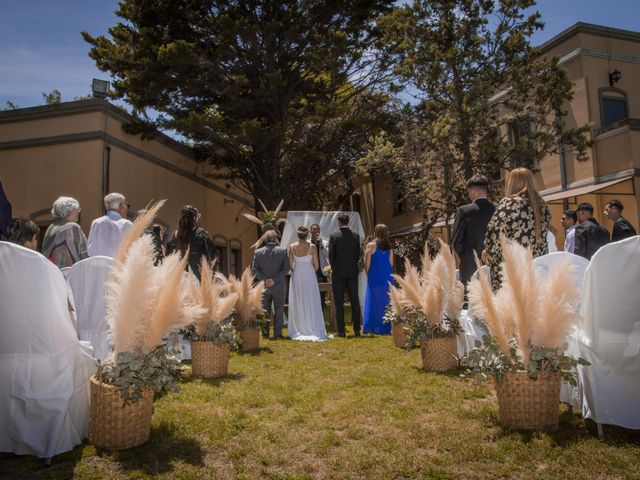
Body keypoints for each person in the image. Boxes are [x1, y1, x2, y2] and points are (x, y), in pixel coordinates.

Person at [483, 167, 551, 290]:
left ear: (511, 183)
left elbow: (494, 233)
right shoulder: (541, 204)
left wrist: (489, 253)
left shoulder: (509, 203)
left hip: (512, 270)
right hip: (537, 268)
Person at [451, 175, 496, 287]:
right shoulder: (497, 209)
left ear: (473, 191)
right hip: (494, 266)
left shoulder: (464, 211)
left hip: (470, 267)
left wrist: (467, 256)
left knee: (470, 302)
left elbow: (456, 241)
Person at [286, 226, 327, 341]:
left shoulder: (292, 247)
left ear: (298, 235)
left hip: (297, 275)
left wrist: (298, 271)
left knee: (298, 299)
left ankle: (299, 327)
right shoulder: (313, 247)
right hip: (309, 275)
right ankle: (312, 324)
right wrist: (309, 272)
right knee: (311, 299)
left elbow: (291, 265)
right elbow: (317, 265)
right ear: (307, 235)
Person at [252, 230, 290, 339]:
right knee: (279, 309)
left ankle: (265, 333)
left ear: (265, 239)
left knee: (264, 310)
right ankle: (278, 334)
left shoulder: (258, 252)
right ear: (275, 238)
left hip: (264, 286)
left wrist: (265, 280)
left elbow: (255, 270)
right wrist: (274, 279)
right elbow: (286, 269)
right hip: (279, 285)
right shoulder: (283, 251)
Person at [329, 213, 362, 337]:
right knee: (354, 300)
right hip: (352, 271)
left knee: (339, 302)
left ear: (339, 222)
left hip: (338, 273)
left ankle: (341, 331)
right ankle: (357, 330)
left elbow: (331, 256)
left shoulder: (334, 236)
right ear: (348, 222)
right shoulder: (355, 236)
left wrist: (334, 268)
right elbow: (357, 255)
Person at [166, 205, 215, 280]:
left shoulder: (175, 235)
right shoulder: (200, 233)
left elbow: (168, 256)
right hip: (197, 279)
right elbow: (212, 255)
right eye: (198, 216)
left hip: (178, 278)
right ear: (194, 218)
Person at [363, 224, 394, 335]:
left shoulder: (370, 245)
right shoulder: (390, 247)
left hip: (374, 276)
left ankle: (373, 326)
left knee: (373, 301)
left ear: (375, 232)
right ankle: (387, 326)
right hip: (387, 276)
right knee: (387, 301)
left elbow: (366, 264)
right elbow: (391, 263)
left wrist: (369, 275)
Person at [42, 196, 89, 268]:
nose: (78, 213)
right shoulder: (73, 227)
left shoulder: (51, 226)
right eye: (77, 211)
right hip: (68, 273)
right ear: (73, 212)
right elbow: (83, 253)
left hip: (52, 272)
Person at [87, 192, 132, 257]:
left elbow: (89, 249)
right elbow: (132, 249)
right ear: (120, 206)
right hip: (118, 265)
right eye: (126, 205)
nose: (126, 208)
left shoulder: (96, 222)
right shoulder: (126, 224)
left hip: (98, 265)